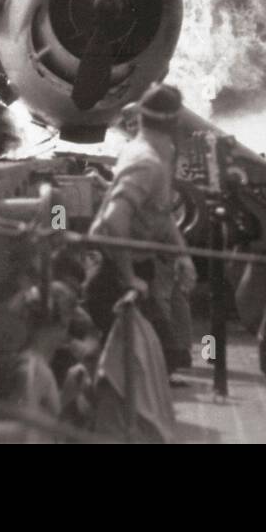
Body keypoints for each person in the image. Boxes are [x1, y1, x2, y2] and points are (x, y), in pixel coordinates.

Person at [86, 82, 192, 374]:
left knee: (161, 359)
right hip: (115, 273)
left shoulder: (160, 153)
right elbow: (113, 221)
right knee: (137, 365)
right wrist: (128, 277)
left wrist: (182, 254)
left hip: (139, 266)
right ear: (175, 121)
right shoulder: (146, 162)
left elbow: (162, 211)